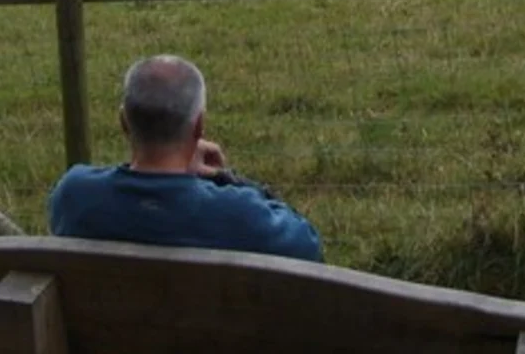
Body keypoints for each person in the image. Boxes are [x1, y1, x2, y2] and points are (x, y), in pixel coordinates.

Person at [48, 55, 323, 262]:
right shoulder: (242, 216)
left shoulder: (74, 195)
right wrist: (226, 178)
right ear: (199, 126)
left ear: (123, 122)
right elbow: (309, 246)